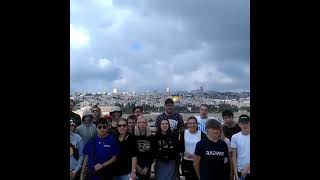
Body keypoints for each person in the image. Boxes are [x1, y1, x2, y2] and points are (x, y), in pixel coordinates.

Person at [134, 115, 155, 180]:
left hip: (146, 167)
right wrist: (137, 167)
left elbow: (152, 154)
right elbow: (131, 153)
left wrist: (146, 167)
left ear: (146, 124)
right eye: (140, 122)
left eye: (144, 122)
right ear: (137, 124)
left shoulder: (151, 138)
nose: (142, 124)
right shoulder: (133, 137)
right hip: (135, 167)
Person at [231, 115, 250, 180]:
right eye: (242, 123)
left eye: (246, 123)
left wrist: (248, 166)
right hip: (240, 171)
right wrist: (235, 174)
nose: (244, 125)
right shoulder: (234, 137)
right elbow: (234, 157)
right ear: (239, 124)